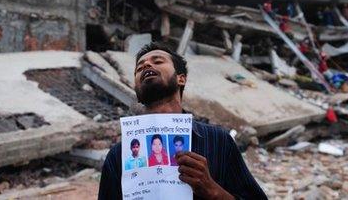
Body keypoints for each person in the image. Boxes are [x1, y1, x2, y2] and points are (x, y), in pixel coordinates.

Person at [99, 42, 267, 200]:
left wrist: (213, 191)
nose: (146, 66)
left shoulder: (219, 141)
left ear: (181, 78)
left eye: (157, 61)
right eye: (139, 68)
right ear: (136, 89)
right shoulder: (118, 156)